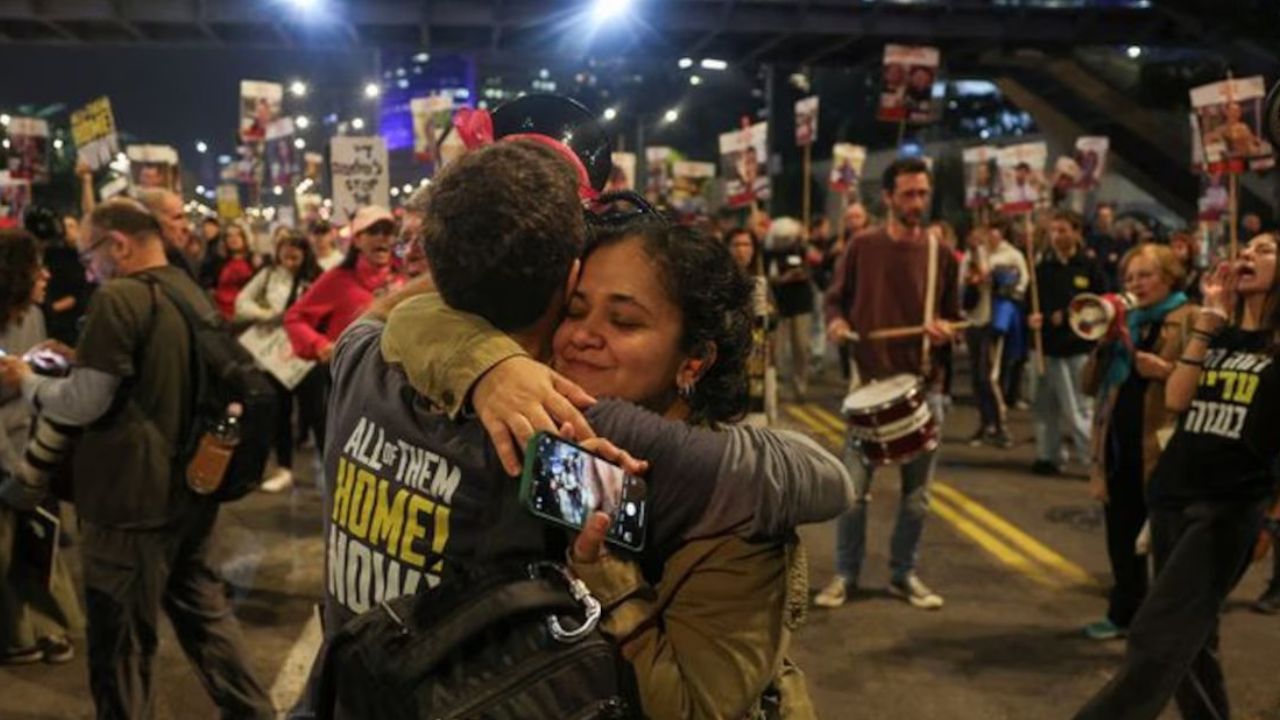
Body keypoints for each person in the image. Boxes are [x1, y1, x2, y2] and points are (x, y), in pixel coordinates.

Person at [400, 215, 835, 718]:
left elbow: (690, 709)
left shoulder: (735, 513)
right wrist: (489, 369)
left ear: (694, 361)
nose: (583, 336)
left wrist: (604, 571)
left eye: (624, 322)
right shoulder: (548, 426)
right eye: (575, 309)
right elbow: (401, 321)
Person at [0, 198, 273, 718]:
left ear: (117, 244)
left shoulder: (120, 297)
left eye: (88, 258)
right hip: (188, 494)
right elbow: (151, 376)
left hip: (128, 505)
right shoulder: (184, 288)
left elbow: (85, 401)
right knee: (205, 619)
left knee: (121, 646)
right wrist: (81, 360)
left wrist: (28, 382)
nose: (88, 270)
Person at [1074, 232, 1280, 720]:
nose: (1248, 254)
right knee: (1193, 643)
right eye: (1245, 248)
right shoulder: (1219, 329)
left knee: (1156, 633)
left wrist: (1272, 519)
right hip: (1172, 494)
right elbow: (1177, 398)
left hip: (1228, 507)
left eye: (1266, 249)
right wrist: (1208, 324)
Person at [816, 157, 960, 610]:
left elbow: (954, 316)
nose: (917, 202)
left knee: (917, 500)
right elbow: (835, 301)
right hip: (868, 388)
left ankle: (903, 574)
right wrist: (838, 325)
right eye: (908, 194)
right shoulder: (863, 246)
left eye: (923, 194)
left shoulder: (940, 252)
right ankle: (845, 574)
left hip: (922, 386)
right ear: (889, 197)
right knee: (853, 495)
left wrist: (945, 329)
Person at [1080, 243, 1196, 641]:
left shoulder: (1190, 319)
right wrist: (1104, 344)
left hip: (1163, 448)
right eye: (1129, 277)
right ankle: (1124, 612)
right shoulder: (1124, 322)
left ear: (1169, 276)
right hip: (1118, 446)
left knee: (1166, 540)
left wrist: (1165, 371)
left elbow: (1205, 384)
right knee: (1122, 535)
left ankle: (1165, 625)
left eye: (1145, 275)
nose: (1135, 284)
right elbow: (1088, 385)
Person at [0, 228, 82, 665]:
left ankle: (48, 626)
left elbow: (34, 383)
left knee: (37, 541)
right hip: (6, 453)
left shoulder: (32, 315)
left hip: (28, 446)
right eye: (38, 267)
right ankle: (18, 634)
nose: (47, 275)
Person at [284, 206, 398, 457]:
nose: (383, 238)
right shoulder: (337, 279)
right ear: (357, 239)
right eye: (374, 231)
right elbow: (295, 317)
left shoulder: (404, 276)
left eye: (388, 231)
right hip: (352, 393)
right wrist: (320, 345)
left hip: (400, 395)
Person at [235, 229, 321, 493]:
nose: (290, 260)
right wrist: (267, 314)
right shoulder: (269, 274)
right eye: (285, 253)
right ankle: (284, 468)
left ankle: (329, 465)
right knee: (280, 413)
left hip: (307, 356)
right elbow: (242, 302)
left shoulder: (318, 278)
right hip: (275, 354)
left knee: (317, 413)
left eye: (295, 254)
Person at [1027, 210, 1107, 475]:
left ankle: (1092, 459)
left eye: (1062, 230)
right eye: (1053, 230)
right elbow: (1028, 303)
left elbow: (1102, 304)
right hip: (1045, 347)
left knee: (1079, 409)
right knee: (1044, 406)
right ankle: (1047, 455)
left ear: (1076, 232)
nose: (1056, 236)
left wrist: (1073, 316)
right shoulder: (1042, 269)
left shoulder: (1089, 267)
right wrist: (1033, 319)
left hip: (1076, 348)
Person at [959, 219, 1027, 448]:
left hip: (995, 321)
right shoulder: (973, 255)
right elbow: (962, 284)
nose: (989, 235)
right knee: (977, 378)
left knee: (989, 375)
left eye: (993, 231)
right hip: (974, 319)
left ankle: (1000, 424)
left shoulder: (1011, 255)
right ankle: (985, 422)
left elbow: (1021, 285)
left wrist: (997, 279)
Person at [764, 217, 814, 399]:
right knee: (777, 351)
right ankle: (777, 386)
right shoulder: (768, 253)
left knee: (801, 347)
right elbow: (767, 279)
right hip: (779, 306)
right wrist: (783, 279)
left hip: (801, 305)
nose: (785, 242)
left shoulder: (802, 249)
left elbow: (812, 269)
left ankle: (800, 385)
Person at [28, 207, 92, 346]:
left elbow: (80, 292)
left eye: (71, 226)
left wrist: (52, 309)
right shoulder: (34, 255)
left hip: (65, 324)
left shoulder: (75, 258)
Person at [135, 187, 196, 281]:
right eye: (177, 218)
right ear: (153, 223)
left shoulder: (180, 262)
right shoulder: (141, 276)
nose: (186, 227)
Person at [213, 220, 257, 322]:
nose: (233, 239)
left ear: (245, 238)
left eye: (238, 235)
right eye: (229, 236)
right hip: (223, 317)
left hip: (244, 317)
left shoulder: (254, 263)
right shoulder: (220, 263)